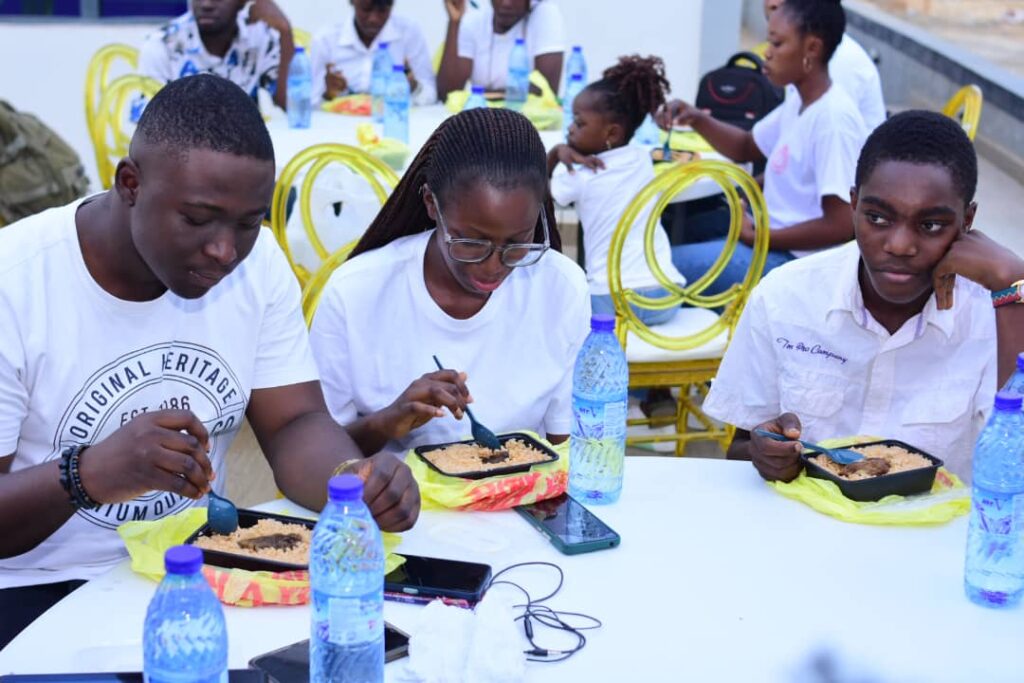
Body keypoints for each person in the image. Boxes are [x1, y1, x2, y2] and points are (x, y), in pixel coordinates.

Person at [0, 75, 419, 648]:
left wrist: (350, 483)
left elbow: (294, 423)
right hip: (38, 589)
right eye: (197, 220)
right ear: (130, 184)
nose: (224, 251)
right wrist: (87, 474)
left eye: (248, 223)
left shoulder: (258, 264)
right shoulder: (17, 284)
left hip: (200, 570)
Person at [703, 110, 1024, 484]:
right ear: (853, 205)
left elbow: (1015, 469)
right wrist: (771, 455)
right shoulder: (785, 297)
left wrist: (1014, 283)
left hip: (943, 522)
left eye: (931, 225)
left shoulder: (997, 311)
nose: (899, 245)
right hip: (808, 518)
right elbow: (740, 448)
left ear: (967, 221)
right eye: (878, 218)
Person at [309, 108, 590, 458]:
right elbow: (316, 453)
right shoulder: (355, 293)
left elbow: (568, 450)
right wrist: (387, 421)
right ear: (431, 204)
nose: (493, 266)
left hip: (523, 491)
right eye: (471, 242)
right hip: (391, 492)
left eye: (517, 243)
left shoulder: (561, 288)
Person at [662, 0, 868, 295]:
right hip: (765, 237)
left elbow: (841, 224)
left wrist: (760, 237)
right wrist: (695, 118)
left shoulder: (833, 119)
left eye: (777, 43)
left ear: (812, 48)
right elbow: (746, 146)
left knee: (663, 266)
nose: (766, 53)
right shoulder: (799, 101)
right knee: (674, 233)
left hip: (792, 263)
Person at [547, 55, 685, 419]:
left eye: (579, 123)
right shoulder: (641, 158)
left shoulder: (578, 173)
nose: (570, 130)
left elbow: (539, 196)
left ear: (611, 133)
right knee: (630, 326)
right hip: (666, 296)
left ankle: (586, 399)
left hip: (612, 302)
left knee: (563, 311)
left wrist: (556, 156)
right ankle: (655, 391)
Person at [140, 0, 295, 110]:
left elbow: (291, 104)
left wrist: (285, 32)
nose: (206, 4)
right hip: (182, 147)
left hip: (247, 145)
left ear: (243, 2)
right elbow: (148, 130)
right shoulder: (162, 44)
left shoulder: (258, 37)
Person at [764, 0, 885, 130]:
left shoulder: (833, 116)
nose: (773, 3)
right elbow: (756, 139)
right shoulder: (801, 94)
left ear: (812, 48)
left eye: (776, 43)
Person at [311, 0, 437, 105]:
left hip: (393, 121)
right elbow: (309, 101)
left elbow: (431, 95)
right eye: (366, 9)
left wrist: (413, 86)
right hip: (337, 124)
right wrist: (327, 94)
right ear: (352, 2)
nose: (373, 19)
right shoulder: (326, 40)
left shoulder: (409, 32)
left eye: (382, 11)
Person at [437, 0, 565, 100]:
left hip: (526, 122)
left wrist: (482, 95)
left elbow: (547, 92)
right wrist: (454, 23)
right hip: (483, 119)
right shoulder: (474, 20)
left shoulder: (546, 14)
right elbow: (447, 94)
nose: (506, 3)